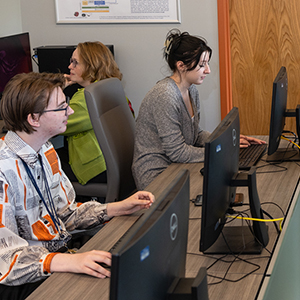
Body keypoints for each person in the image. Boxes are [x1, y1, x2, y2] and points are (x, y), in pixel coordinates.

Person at [0, 72, 154, 299]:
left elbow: (64, 214)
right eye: (62, 107)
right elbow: (6, 261)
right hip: (20, 279)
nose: (70, 112)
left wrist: (116, 208)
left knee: (130, 272)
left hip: (55, 258)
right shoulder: (3, 171)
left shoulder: (44, 150)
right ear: (34, 119)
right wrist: (70, 260)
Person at [132, 29, 265, 190]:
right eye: (202, 65)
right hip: (157, 175)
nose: (208, 70)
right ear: (181, 66)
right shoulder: (165, 96)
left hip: (176, 166)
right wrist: (221, 151)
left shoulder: (190, 89)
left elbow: (195, 134)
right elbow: (177, 152)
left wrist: (225, 140)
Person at [58, 41, 134, 188]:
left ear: (91, 66)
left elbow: (54, 126)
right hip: (117, 162)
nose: (69, 67)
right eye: (70, 62)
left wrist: (56, 89)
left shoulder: (86, 97)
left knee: (40, 165)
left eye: (75, 63)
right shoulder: (110, 86)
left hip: (96, 169)